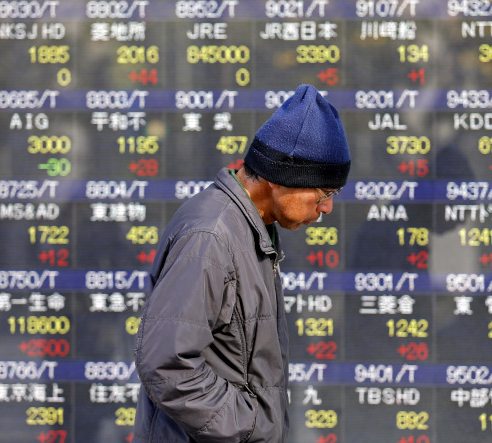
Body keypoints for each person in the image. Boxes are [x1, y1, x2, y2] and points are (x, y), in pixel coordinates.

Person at [132, 84, 351, 442]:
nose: (326, 208)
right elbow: (166, 364)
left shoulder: (248, 226)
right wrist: (251, 428)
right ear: (284, 177)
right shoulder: (212, 235)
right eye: (324, 192)